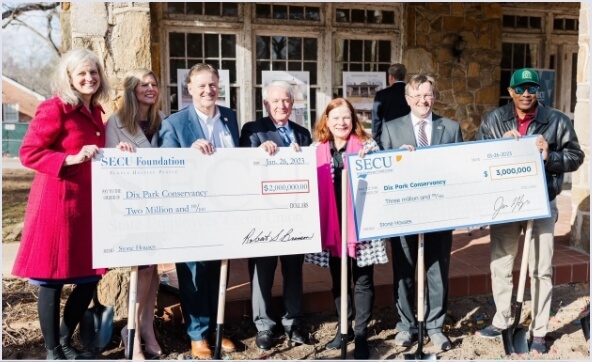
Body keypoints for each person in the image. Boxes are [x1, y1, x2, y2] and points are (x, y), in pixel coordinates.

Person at [474, 68, 584, 354]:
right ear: (510, 91)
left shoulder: (557, 121)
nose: (526, 94)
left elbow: (576, 156)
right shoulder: (495, 120)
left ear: (538, 91)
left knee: (541, 268)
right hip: (506, 203)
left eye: (531, 88)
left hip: (541, 202)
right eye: (520, 89)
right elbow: (478, 156)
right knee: (501, 264)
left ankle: (539, 329)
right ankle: (502, 319)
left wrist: (550, 155)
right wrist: (500, 147)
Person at [11, 48, 111, 360]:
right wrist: (69, 158)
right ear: (69, 78)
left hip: (87, 208)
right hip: (57, 205)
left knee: (90, 276)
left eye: (93, 72)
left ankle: (66, 340)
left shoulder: (96, 111)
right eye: (81, 73)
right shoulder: (54, 108)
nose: (89, 78)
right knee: (51, 280)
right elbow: (29, 152)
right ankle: (53, 350)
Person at [158, 63, 238, 359]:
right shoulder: (175, 123)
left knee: (219, 269)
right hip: (190, 210)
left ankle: (217, 327)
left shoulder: (229, 118)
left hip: (224, 208)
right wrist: (188, 154)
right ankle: (197, 335)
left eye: (213, 85)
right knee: (192, 271)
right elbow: (164, 165)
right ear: (189, 89)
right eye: (201, 85)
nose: (208, 90)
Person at [381, 74, 463, 352]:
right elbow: (384, 174)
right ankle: (406, 325)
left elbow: (458, 171)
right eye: (416, 96)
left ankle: (435, 326)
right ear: (407, 99)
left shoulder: (450, 128)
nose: (422, 101)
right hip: (403, 215)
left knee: (437, 271)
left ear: (434, 96)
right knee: (404, 271)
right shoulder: (391, 129)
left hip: (440, 215)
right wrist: (397, 160)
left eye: (427, 95)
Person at [311, 97, 387, 359]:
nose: (341, 122)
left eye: (346, 117)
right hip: (333, 227)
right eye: (336, 118)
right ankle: (344, 329)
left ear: (353, 120)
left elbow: (384, 176)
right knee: (339, 279)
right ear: (327, 122)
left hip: (361, 224)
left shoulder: (368, 145)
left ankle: (362, 332)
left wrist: (371, 160)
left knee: (363, 280)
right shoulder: (318, 149)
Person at [239, 80, 313, 350]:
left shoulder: (303, 135)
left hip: (295, 214)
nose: (282, 106)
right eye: (276, 101)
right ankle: (264, 325)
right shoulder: (253, 130)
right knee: (263, 270)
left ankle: (293, 322)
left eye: (287, 101)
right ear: (265, 104)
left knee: (293, 269)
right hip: (264, 215)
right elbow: (243, 167)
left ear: (293, 105)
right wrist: (258, 154)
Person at [105, 68, 163, 360]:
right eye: (144, 84)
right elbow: (106, 166)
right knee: (140, 270)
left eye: (154, 84)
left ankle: (146, 327)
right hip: (130, 208)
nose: (150, 88)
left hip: (157, 205)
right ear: (131, 89)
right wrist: (119, 153)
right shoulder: (116, 123)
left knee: (152, 270)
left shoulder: (159, 121)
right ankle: (133, 333)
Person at [371, 63, 411, 150]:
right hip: (409, 139)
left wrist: (377, 141)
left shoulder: (381, 95)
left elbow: (376, 120)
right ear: (404, 76)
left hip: (386, 140)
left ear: (391, 77)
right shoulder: (411, 94)